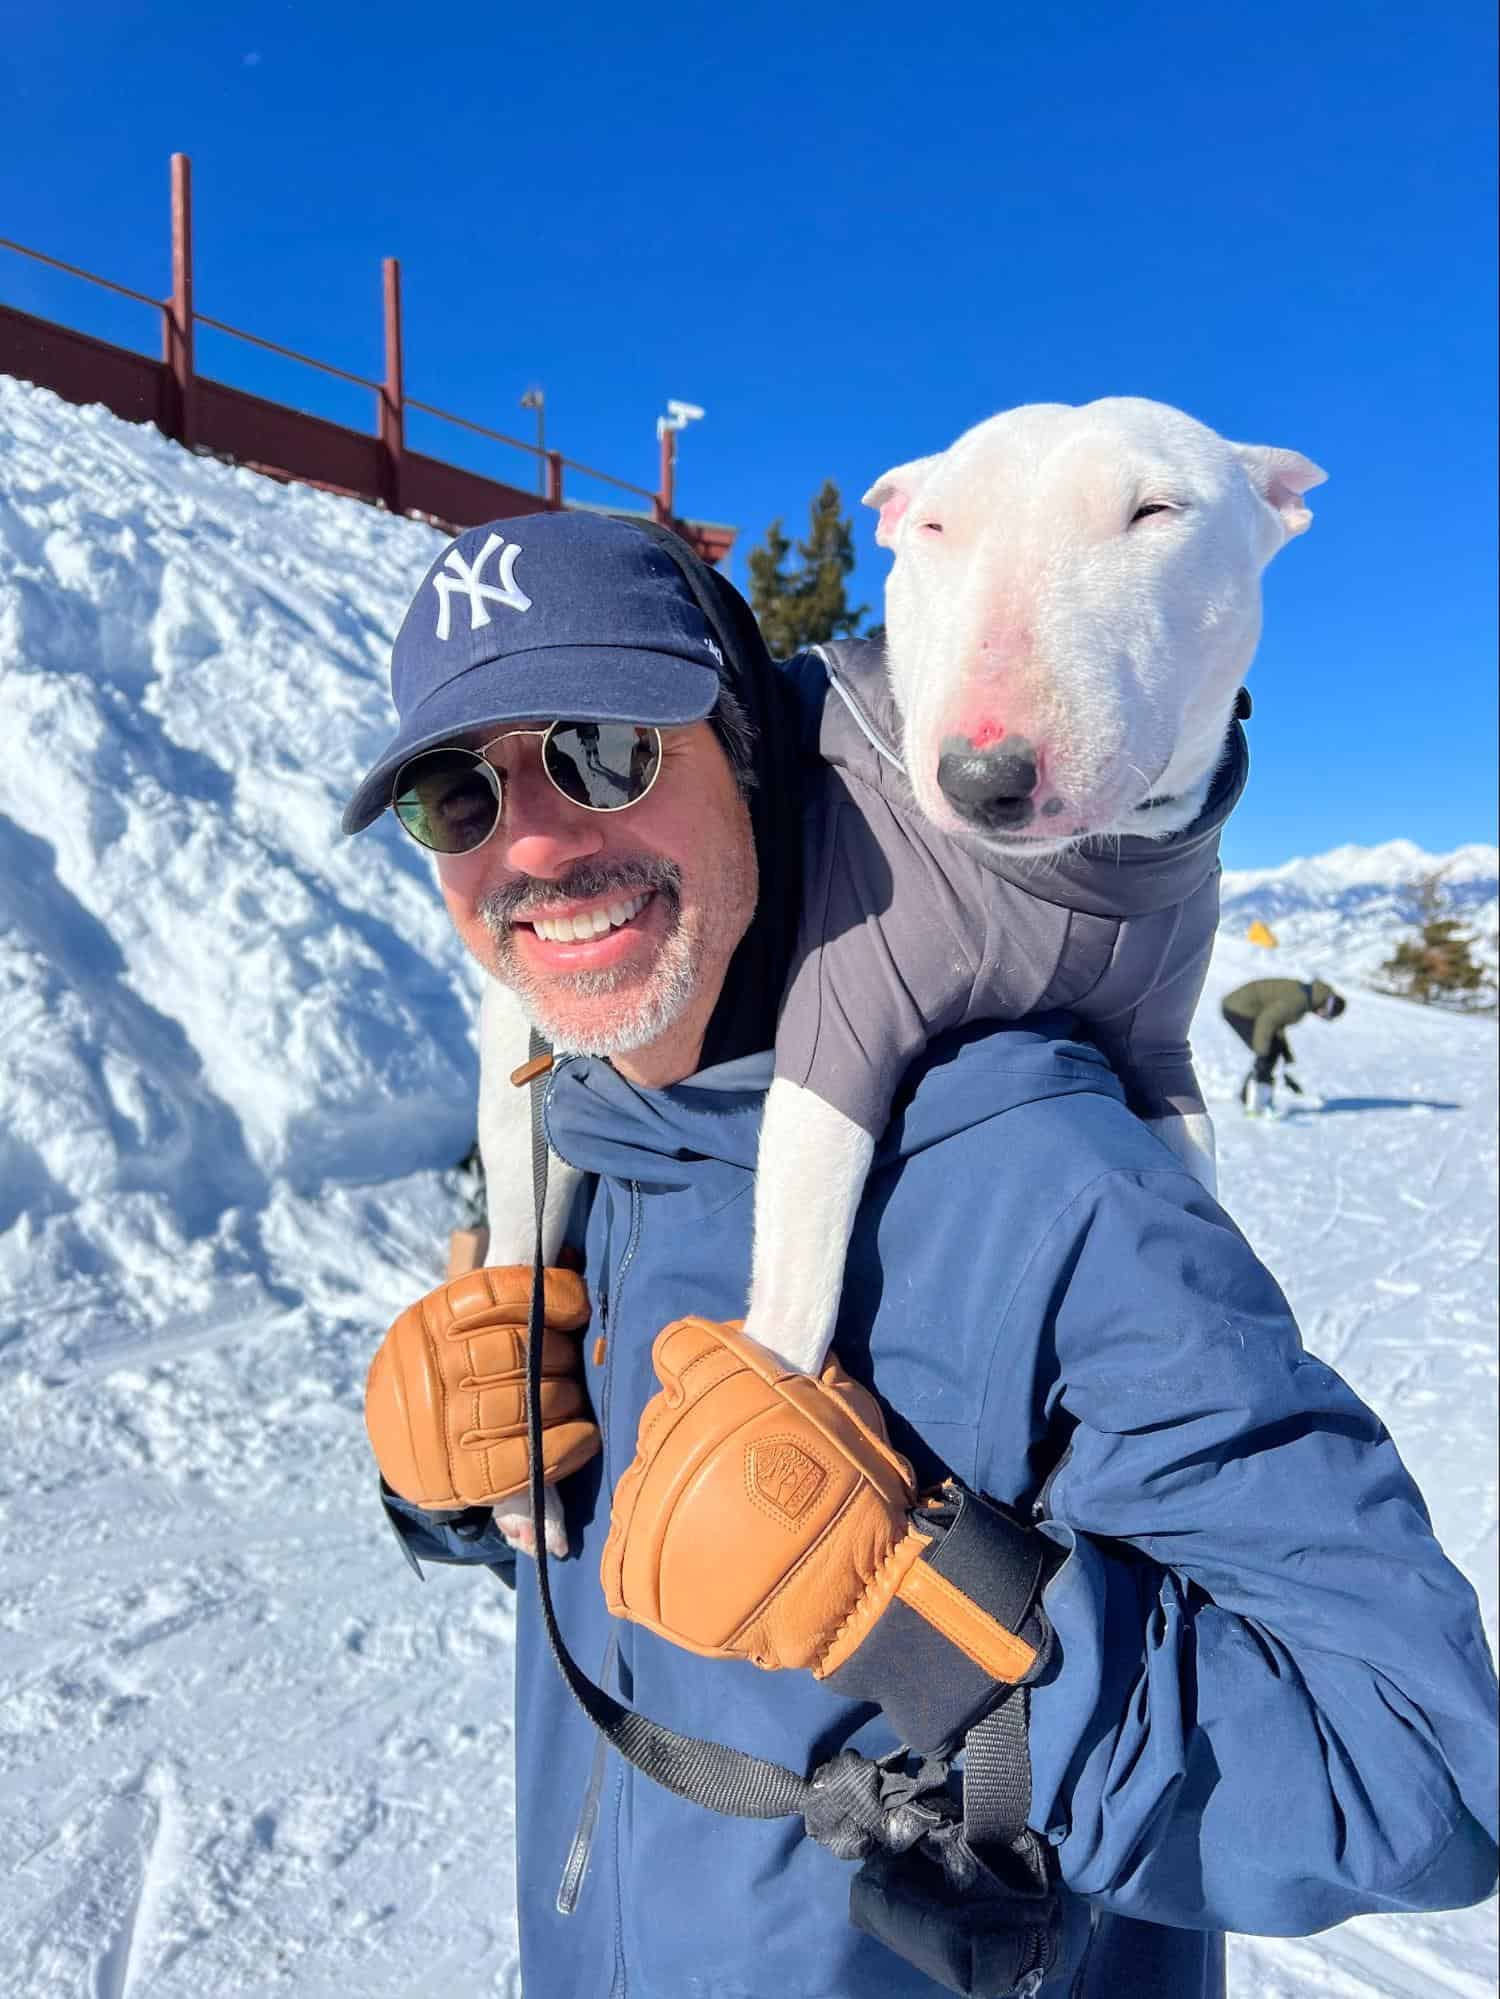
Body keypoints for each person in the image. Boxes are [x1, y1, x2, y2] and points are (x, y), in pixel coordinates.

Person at [342, 514, 1497, 1999]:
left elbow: (1423, 1773)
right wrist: (467, 1490)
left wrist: (921, 1606)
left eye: (605, 746)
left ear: (749, 751)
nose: (540, 842)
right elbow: (718, 1613)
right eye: (457, 793)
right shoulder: (593, 1145)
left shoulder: (1031, 1166)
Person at [1221, 975, 1346, 1116]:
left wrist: (1285, 1053)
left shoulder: (1307, 995)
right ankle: (1255, 1105)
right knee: (1267, 1055)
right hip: (1238, 1009)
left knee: (1270, 1052)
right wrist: (1263, 1053)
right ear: (1325, 1006)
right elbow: (1267, 1021)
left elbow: (1277, 1024)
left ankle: (1251, 1097)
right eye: (1326, 1015)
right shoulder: (1299, 1002)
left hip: (1247, 1009)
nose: (1321, 1017)